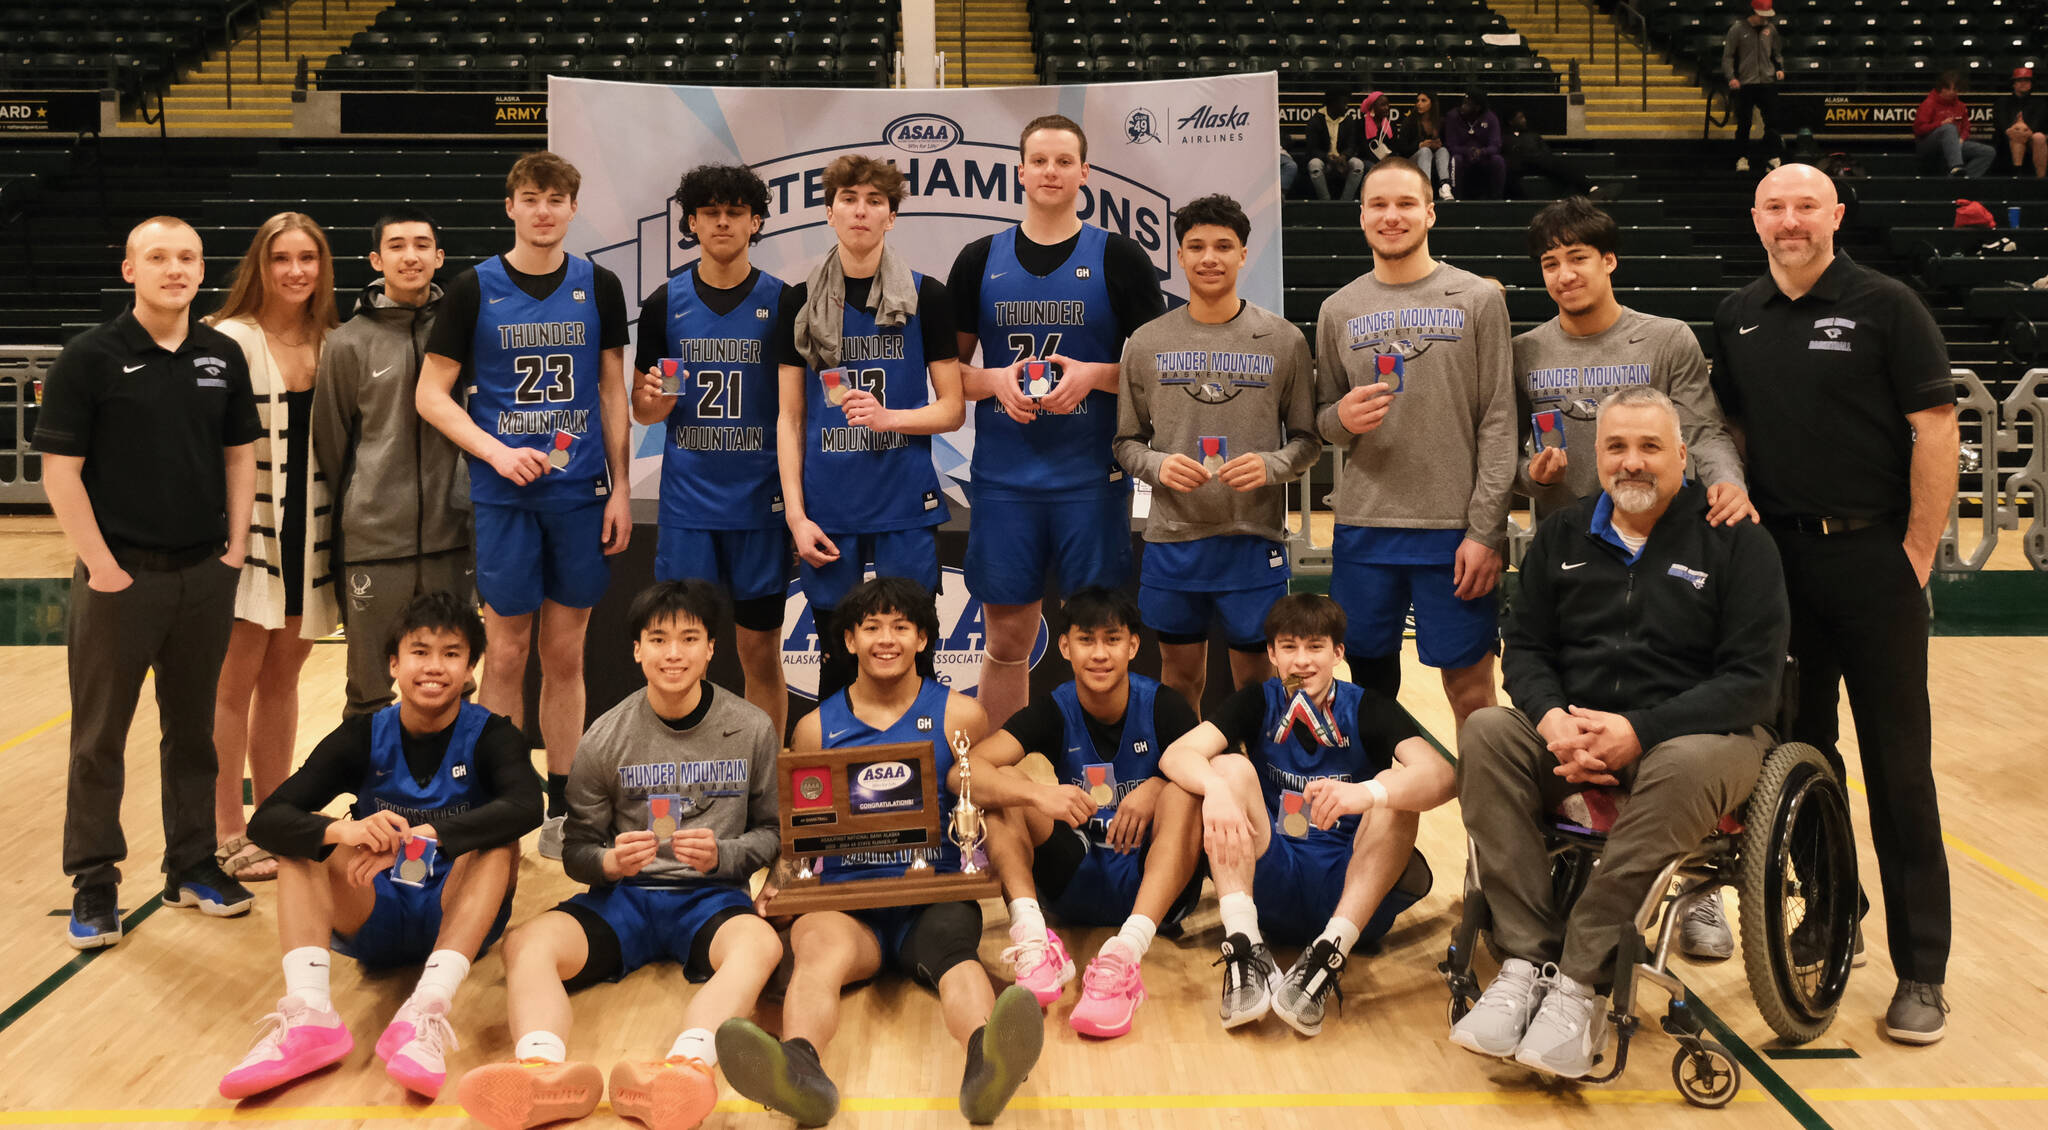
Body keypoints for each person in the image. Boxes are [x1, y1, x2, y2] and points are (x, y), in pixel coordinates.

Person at [1448, 386, 1790, 1078]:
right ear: (1597, 456)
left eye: (1649, 447)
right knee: (1485, 732)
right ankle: (1523, 962)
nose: (1632, 462)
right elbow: (1528, 650)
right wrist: (1553, 722)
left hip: (1701, 739)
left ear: (1683, 457)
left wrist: (1639, 730)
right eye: (1617, 447)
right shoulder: (1562, 535)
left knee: (1678, 765)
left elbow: (1753, 682)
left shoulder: (1737, 540)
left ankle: (1580, 983)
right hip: (1577, 732)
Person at [1710, 162, 1960, 1044]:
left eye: (1806, 206)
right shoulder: (1738, 313)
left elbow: (1936, 428)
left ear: (1836, 216)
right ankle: (1829, 912)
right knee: (1797, 755)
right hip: (1779, 566)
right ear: (1756, 219)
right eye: (1776, 207)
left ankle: (1922, 969)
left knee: (1899, 769)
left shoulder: (1888, 305)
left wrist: (1916, 553)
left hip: (1873, 559)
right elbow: (1731, 431)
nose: (1791, 220)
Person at [715, 578, 1044, 1127]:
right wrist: (778, 883)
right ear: (849, 641)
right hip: (847, 902)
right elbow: (803, 830)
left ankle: (986, 1062)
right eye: (871, 628)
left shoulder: (962, 716)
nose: (886, 639)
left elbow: (981, 796)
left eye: (900, 627)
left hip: (932, 893)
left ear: (922, 639)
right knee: (816, 956)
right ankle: (800, 1069)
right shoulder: (815, 728)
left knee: (957, 959)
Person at [455, 581, 783, 1130]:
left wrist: (725, 855)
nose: (673, 653)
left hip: (711, 900)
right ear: (636, 650)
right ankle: (541, 1068)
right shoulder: (605, 736)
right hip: (624, 901)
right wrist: (608, 862)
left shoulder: (751, 727)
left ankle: (686, 1068)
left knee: (762, 944)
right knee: (525, 944)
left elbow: (773, 833)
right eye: (658, 639)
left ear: (711, 649)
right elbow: (577, 849)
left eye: (689, 639)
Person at [36, 216, 260, 947]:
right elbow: (60, 473)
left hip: (204, 574)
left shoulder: (222, 354)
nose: (175, 269)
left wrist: (234, 550)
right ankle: (95, 882)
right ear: (130, 270)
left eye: (187, 257)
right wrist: (103, 567)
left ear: (202, 269)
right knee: (99, 737)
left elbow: (239, 455)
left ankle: (192, 865)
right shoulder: (90, 357)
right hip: (120, 579)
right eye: (158, 257)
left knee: (193, 733)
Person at [221, 593, 538, 1101]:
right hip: (372, 903)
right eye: (420, 652)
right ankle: (310, 1016)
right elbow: (268, 819)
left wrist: (425, 835)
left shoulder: (491, 735)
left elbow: (526, 808)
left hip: (454, 910)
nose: (434, 667)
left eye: (451, 654)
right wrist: (343, 832)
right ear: (394, 663)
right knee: (303, 840)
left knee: (499, 844)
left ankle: (426, 1010)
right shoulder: (363, 734)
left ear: (469, 669)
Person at [417, 151, 634, 860]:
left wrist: (621, 487)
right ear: (510, 206)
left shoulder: (599, 285)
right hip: (504, 494)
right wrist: (495, 452)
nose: (544, 211)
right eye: (531, 198)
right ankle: (501, 800)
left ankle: (566, 803)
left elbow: (611, 392)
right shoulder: (471, 288)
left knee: (565, 654)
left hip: (579, 493)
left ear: (573, 208)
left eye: (556, 199)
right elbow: (430, 396)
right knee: (506, 654)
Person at [947, 114, 1165, 729]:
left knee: (1097, 638)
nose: (1051, 171)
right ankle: (999, 772)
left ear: (1084, 172)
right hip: (1005, 480)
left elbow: (1157, 369)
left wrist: (1092, 376)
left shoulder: (1119, 257)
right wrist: (995, 381)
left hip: (1090, 479)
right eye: (1039, 161)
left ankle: (1101, 768)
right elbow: (948, 377)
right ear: (1020, 172)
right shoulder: (978, 259)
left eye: (1064, 161)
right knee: (1007, 640)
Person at [1159, 593, 1455, 1037]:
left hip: (1349, 890)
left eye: (1315, 647)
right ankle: (1245, 946)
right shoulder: (1258, 701)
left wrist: (1366, 793)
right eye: (1289, 647)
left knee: (1397, 793)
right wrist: (1215, 788)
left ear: (1338, 653)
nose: (1302, 661)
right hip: (1273, 881)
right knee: (1227, 768)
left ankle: (1328, 956)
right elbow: (1177, 755)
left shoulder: (1367, 706)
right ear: (1272, 654)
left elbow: (1443, 776)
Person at [1314, 158, 1514, 733]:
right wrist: (1341, 418)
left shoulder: (1477, 298)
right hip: (1365, 527)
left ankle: (1481, 798)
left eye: (1405, 204)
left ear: (1430, 212)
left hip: (1454, 530)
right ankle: (1383, 791)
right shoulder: (1338, 308)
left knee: (1469, 690)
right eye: (1378, 204)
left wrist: (1485, 531)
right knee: (1368, 689)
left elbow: (1499, 419)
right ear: (1361, 216)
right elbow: (1323, 421)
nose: (1391, 216)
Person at [961, 586, 1204, 1038]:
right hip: (1076, 875)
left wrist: (1158, 785)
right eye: (1086, 640)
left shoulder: (1165, 706)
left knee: (1185, 792)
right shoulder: (1054, 708)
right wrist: (1037, 796)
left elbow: (1214, 773)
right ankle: (1033, 939)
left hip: (1154, 884)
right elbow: (965, 772)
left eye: (1112, 639)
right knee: (1005, 786)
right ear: (1065, 646)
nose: (1100, 654)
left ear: (1133, 645)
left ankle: (1126, 952)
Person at [1113, 194, 1320, 713]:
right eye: (1197, 246)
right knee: (1180, 678)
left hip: (1253, 539)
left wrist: (1271, 465)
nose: (1210, 257)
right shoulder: (1146, 342)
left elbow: (1308, 440)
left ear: (1243, 254)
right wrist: (1158, 464)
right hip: (1174, 541)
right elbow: (1125, 443)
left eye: (1224, 246)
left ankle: (1255, 764)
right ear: (1179, 256)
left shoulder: (1284, 340)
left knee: (1256, 682)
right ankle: (1189, 764)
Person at [775, 154, 964, 706]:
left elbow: (952, 409)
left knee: (914, 657)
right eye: (849, 200)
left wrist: (890, 418)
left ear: (891, 216)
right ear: (829, 212)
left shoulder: (928, 295)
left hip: (904, 502)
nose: (861, 211)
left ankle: (920, 759)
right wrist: (796, 517)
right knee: (837, 663)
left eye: (874, 201)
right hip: (828, 507)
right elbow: (790, 418)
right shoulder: (798, 300)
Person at [205, 212, 343, 884]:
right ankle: (226, 830)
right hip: (244, 532)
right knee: (232, 686)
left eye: (307, 258)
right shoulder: (228, 338)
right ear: (260, 266)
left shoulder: (334, 341)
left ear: (323, 267)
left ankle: (273, 818)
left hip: (311, 534)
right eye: (281, 258)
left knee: (283, 681)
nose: (295, 271)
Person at [630, 164, 792, 738]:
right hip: (690, 506)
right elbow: (643, 408)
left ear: (755, 222)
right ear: (692, 223)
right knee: (678, 654)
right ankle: (680, 764)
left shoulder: (784, 302)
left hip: (760, 504)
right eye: (710, 212)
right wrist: (653, 400)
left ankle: (765, 772)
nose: (723, 222)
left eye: (735, 212)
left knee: (760, 651)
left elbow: (797, 410)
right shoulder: (663, 303)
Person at [313, 207, 472, 720]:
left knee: (454, 683)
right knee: (368, 690)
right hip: (375, 544)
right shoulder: (346, 343)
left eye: (422, 245)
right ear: (376, 260)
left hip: (452, 537)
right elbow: (332, 444)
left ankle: (454, 775)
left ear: (439, 257)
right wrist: (370, 499)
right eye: (397, 246)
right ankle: (372, 776)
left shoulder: (465, 333)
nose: (411, 256)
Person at [1723, 0, 1786, 172]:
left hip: (1767, 82)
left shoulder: (1771, 30)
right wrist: (1731, 77)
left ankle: (1773, 156)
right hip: (1746, 83)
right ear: (1754, 12)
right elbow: (1728, 56)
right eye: (1761, 15)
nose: (1764, 19)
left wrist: (1779, 68)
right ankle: (1741, 157)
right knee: (1744, 122)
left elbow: (1776, 53)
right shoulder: (1737, 29)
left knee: (1772, 122)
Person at [1503, 111, 1600, 200]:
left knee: (1558, 164)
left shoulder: (1533, 135)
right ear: (1511, 122)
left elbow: (1546, 152)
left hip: (1538, 162)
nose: (1524, 120)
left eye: (1523, 117)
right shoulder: (1504, 137)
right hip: (1519, 165)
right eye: (1520, 118)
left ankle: (1591, 188)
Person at [1916, 72, 1997, 178]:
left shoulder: (1960, 106)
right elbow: (1919, 129)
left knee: (1988, 152)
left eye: (1955, 89)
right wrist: (1940, 124)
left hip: (1954, 144)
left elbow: (1966, 127)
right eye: (1948, 89)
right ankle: (1956, 167)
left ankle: (1962, 179)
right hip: (1929, 144)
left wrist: (1962, 139)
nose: (1952, 92)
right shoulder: (1928, 104)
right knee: (1949, 128)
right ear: (1941, 88)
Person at [1306, 87, 1366, 202]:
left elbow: (1352, 145)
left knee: (1358, 165)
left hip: (1343, 159)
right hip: (1324, 160)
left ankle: (1345, 202)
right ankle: (1326, 201)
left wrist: (1344, 156)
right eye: (1344, 103)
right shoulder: (1316, 120)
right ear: (1333, 104)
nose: (1346, 106)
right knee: (1314, 165)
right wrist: (1327, 158)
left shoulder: (1348, 120)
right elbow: (1312, 149)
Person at [1445, 92, 1506, 201]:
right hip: (1462, 155)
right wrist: (1467, 151)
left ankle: (1497, 199)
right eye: (1463, 103)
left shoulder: (1490, 117)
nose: (1462, 107)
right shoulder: (1453, 116)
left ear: (1477, 108)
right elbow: (1451, 145)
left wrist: (1481, 152)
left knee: (1498, 160)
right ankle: (1455, 198)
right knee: (1455, 159)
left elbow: (1496, 146)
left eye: (1467, 104)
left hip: (1483, 156)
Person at [1396, 92, 1454, 201]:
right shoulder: (1410, 121)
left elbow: (1449, 144)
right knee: (1425, 151)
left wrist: (1438, 144)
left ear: (1432, 103)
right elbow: (1402, 149)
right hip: (1412, 160)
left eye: (1423, 101)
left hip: (1433, 160)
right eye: (1417, 101)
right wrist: (1419, 145)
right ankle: (1425, 188)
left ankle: (1445, 186)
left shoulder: (1440, 122)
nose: (1419, 104)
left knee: (1443, 150)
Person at [1993, 65, 2045, 178]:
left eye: (2026, 81)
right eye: (2019, 80)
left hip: (2031, 138)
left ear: (2031, 84)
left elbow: (2037, 124)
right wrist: (2016, 130)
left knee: (2039, 137)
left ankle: (2041, 180)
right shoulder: (2002, 102)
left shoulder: (2040, 103)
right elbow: (2002, 125)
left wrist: (2025, 131)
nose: (2023, 83)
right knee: (2017, 133)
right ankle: (2017, 176)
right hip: (2007, 139)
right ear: (2014, 84)